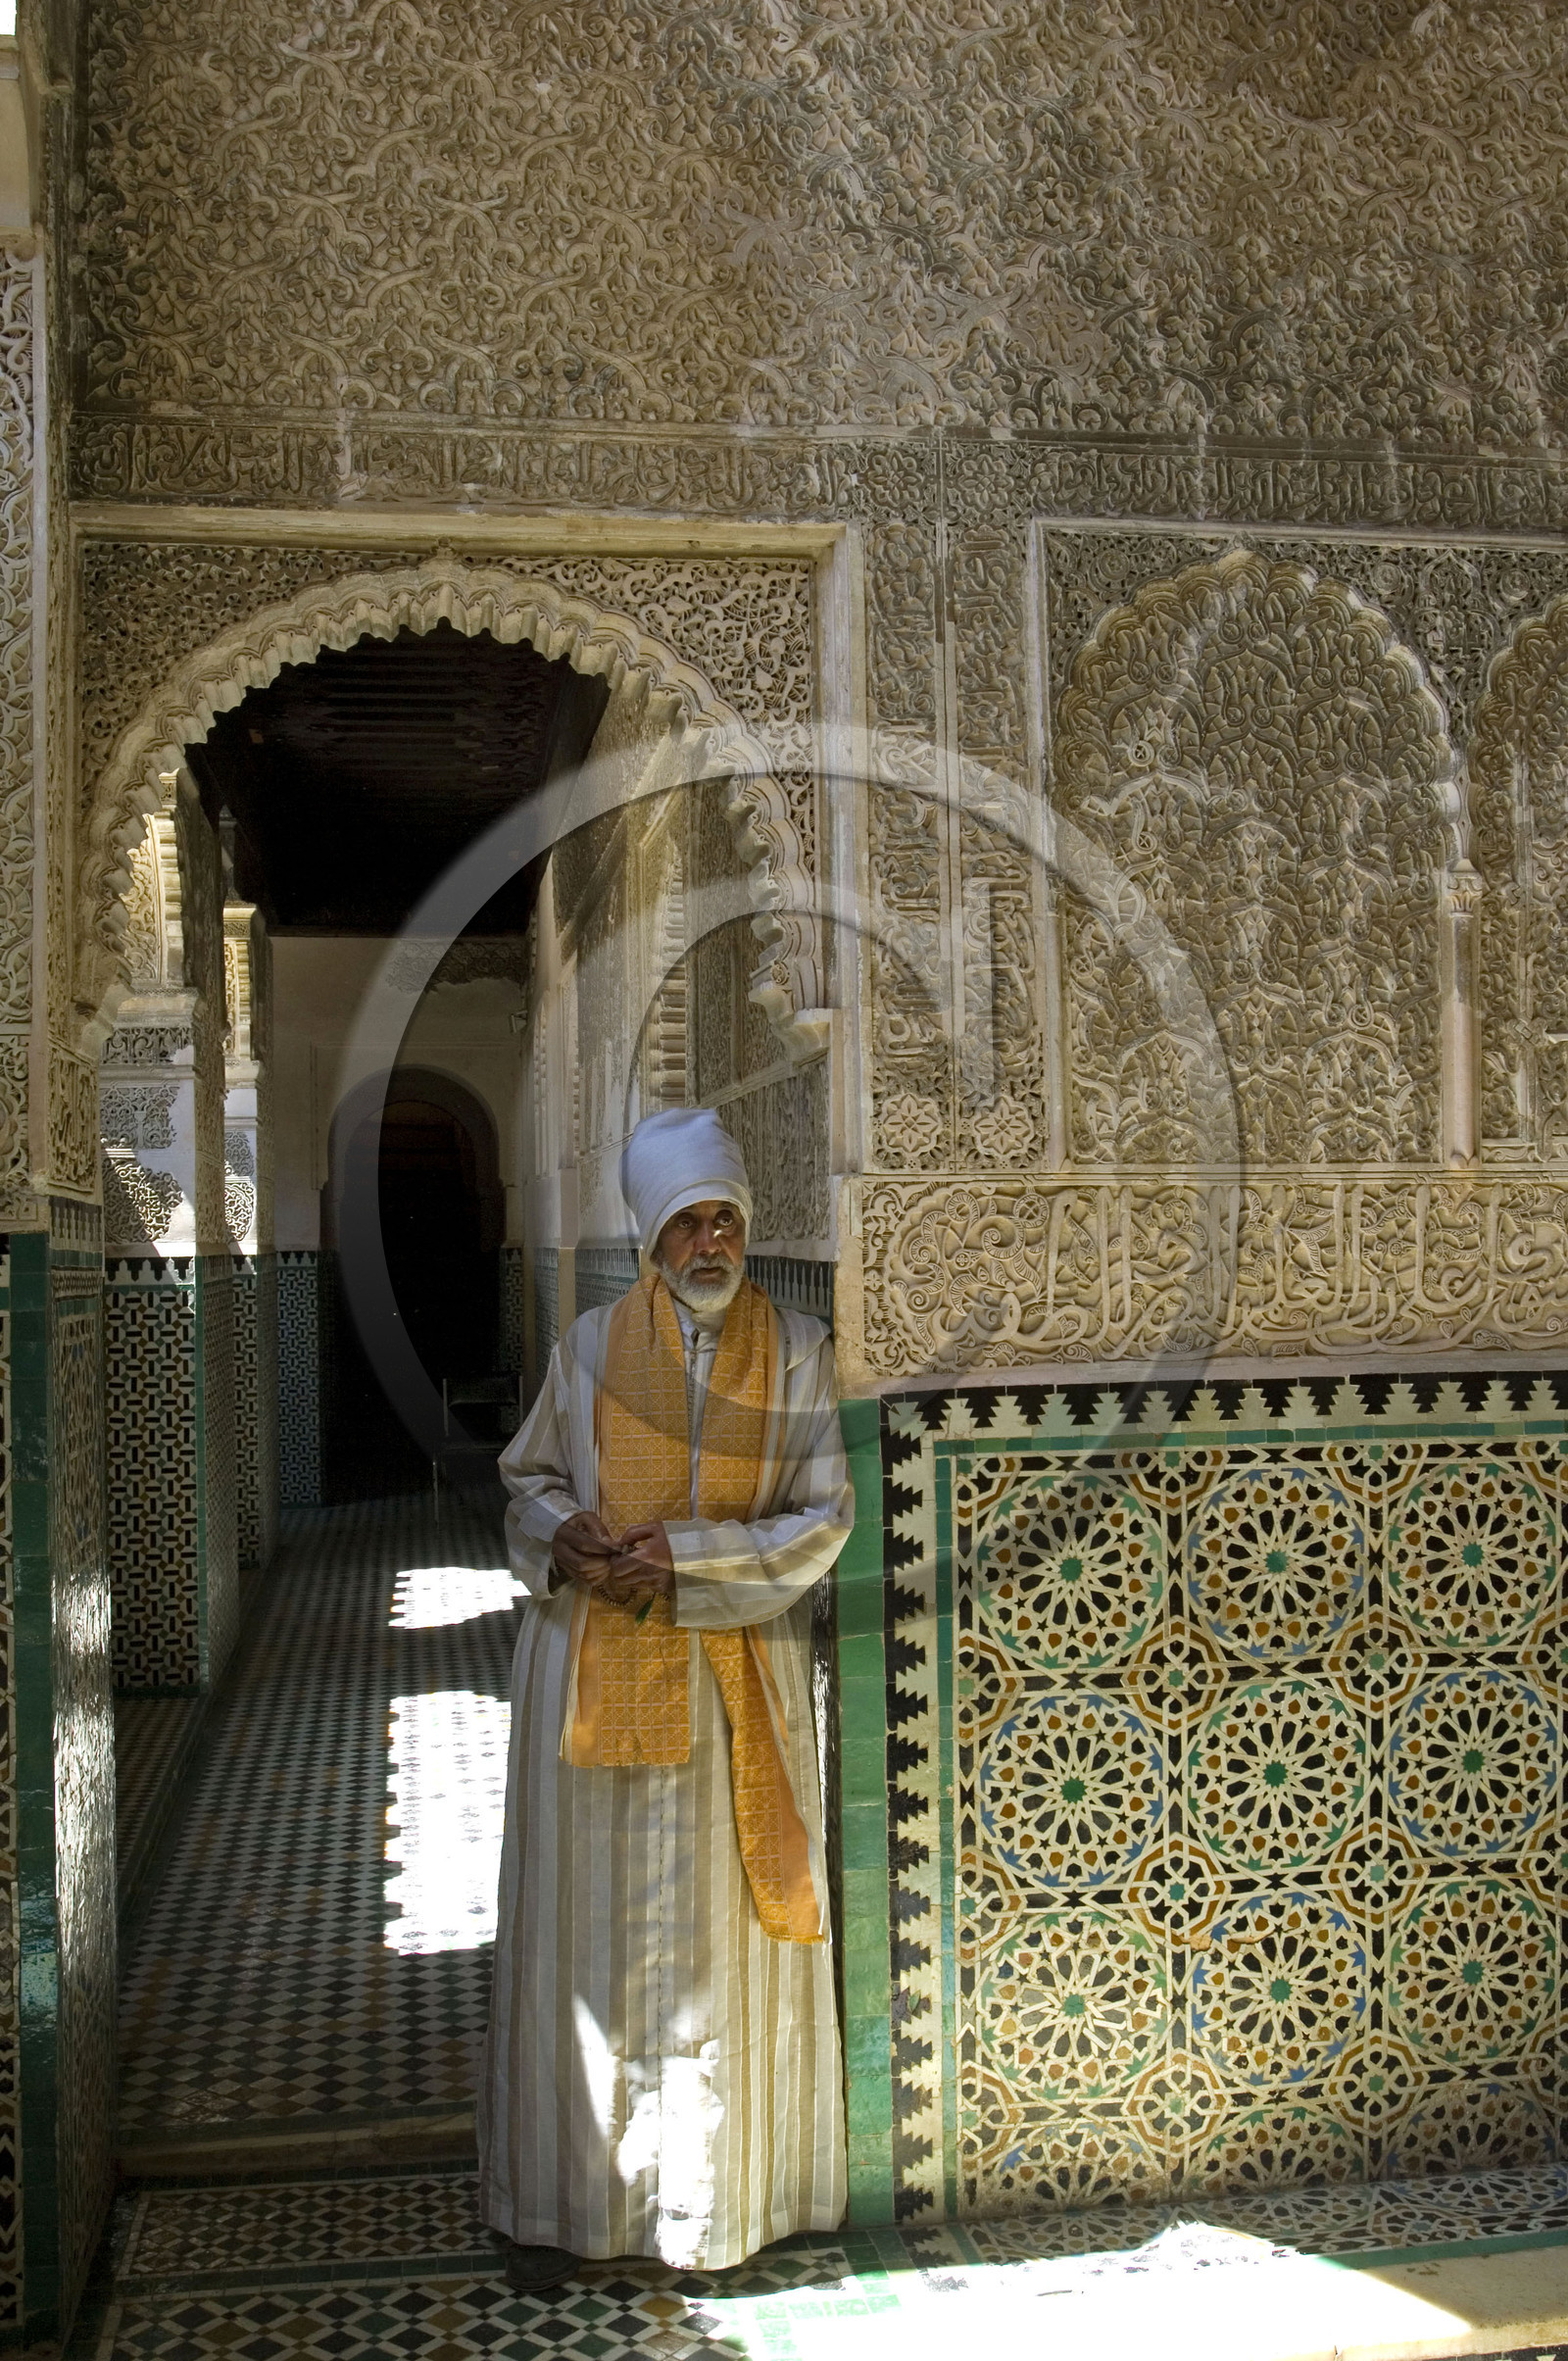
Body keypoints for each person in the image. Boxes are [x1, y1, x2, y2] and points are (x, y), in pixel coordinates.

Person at [479, 1107, 852, 2291]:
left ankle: (726, 2197)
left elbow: (821, 1515)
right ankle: (577, 2199)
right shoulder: (587, 1348)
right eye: (687, 1222)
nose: (708, 1242)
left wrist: (686, 1560)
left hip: (731, 1675)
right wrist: (566, 1533)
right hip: (590, 1675)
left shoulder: (796, 1349)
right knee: (588, 1936)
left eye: (724, 1220)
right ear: (651, 1238)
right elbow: (524, 1481)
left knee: (718, 1943)